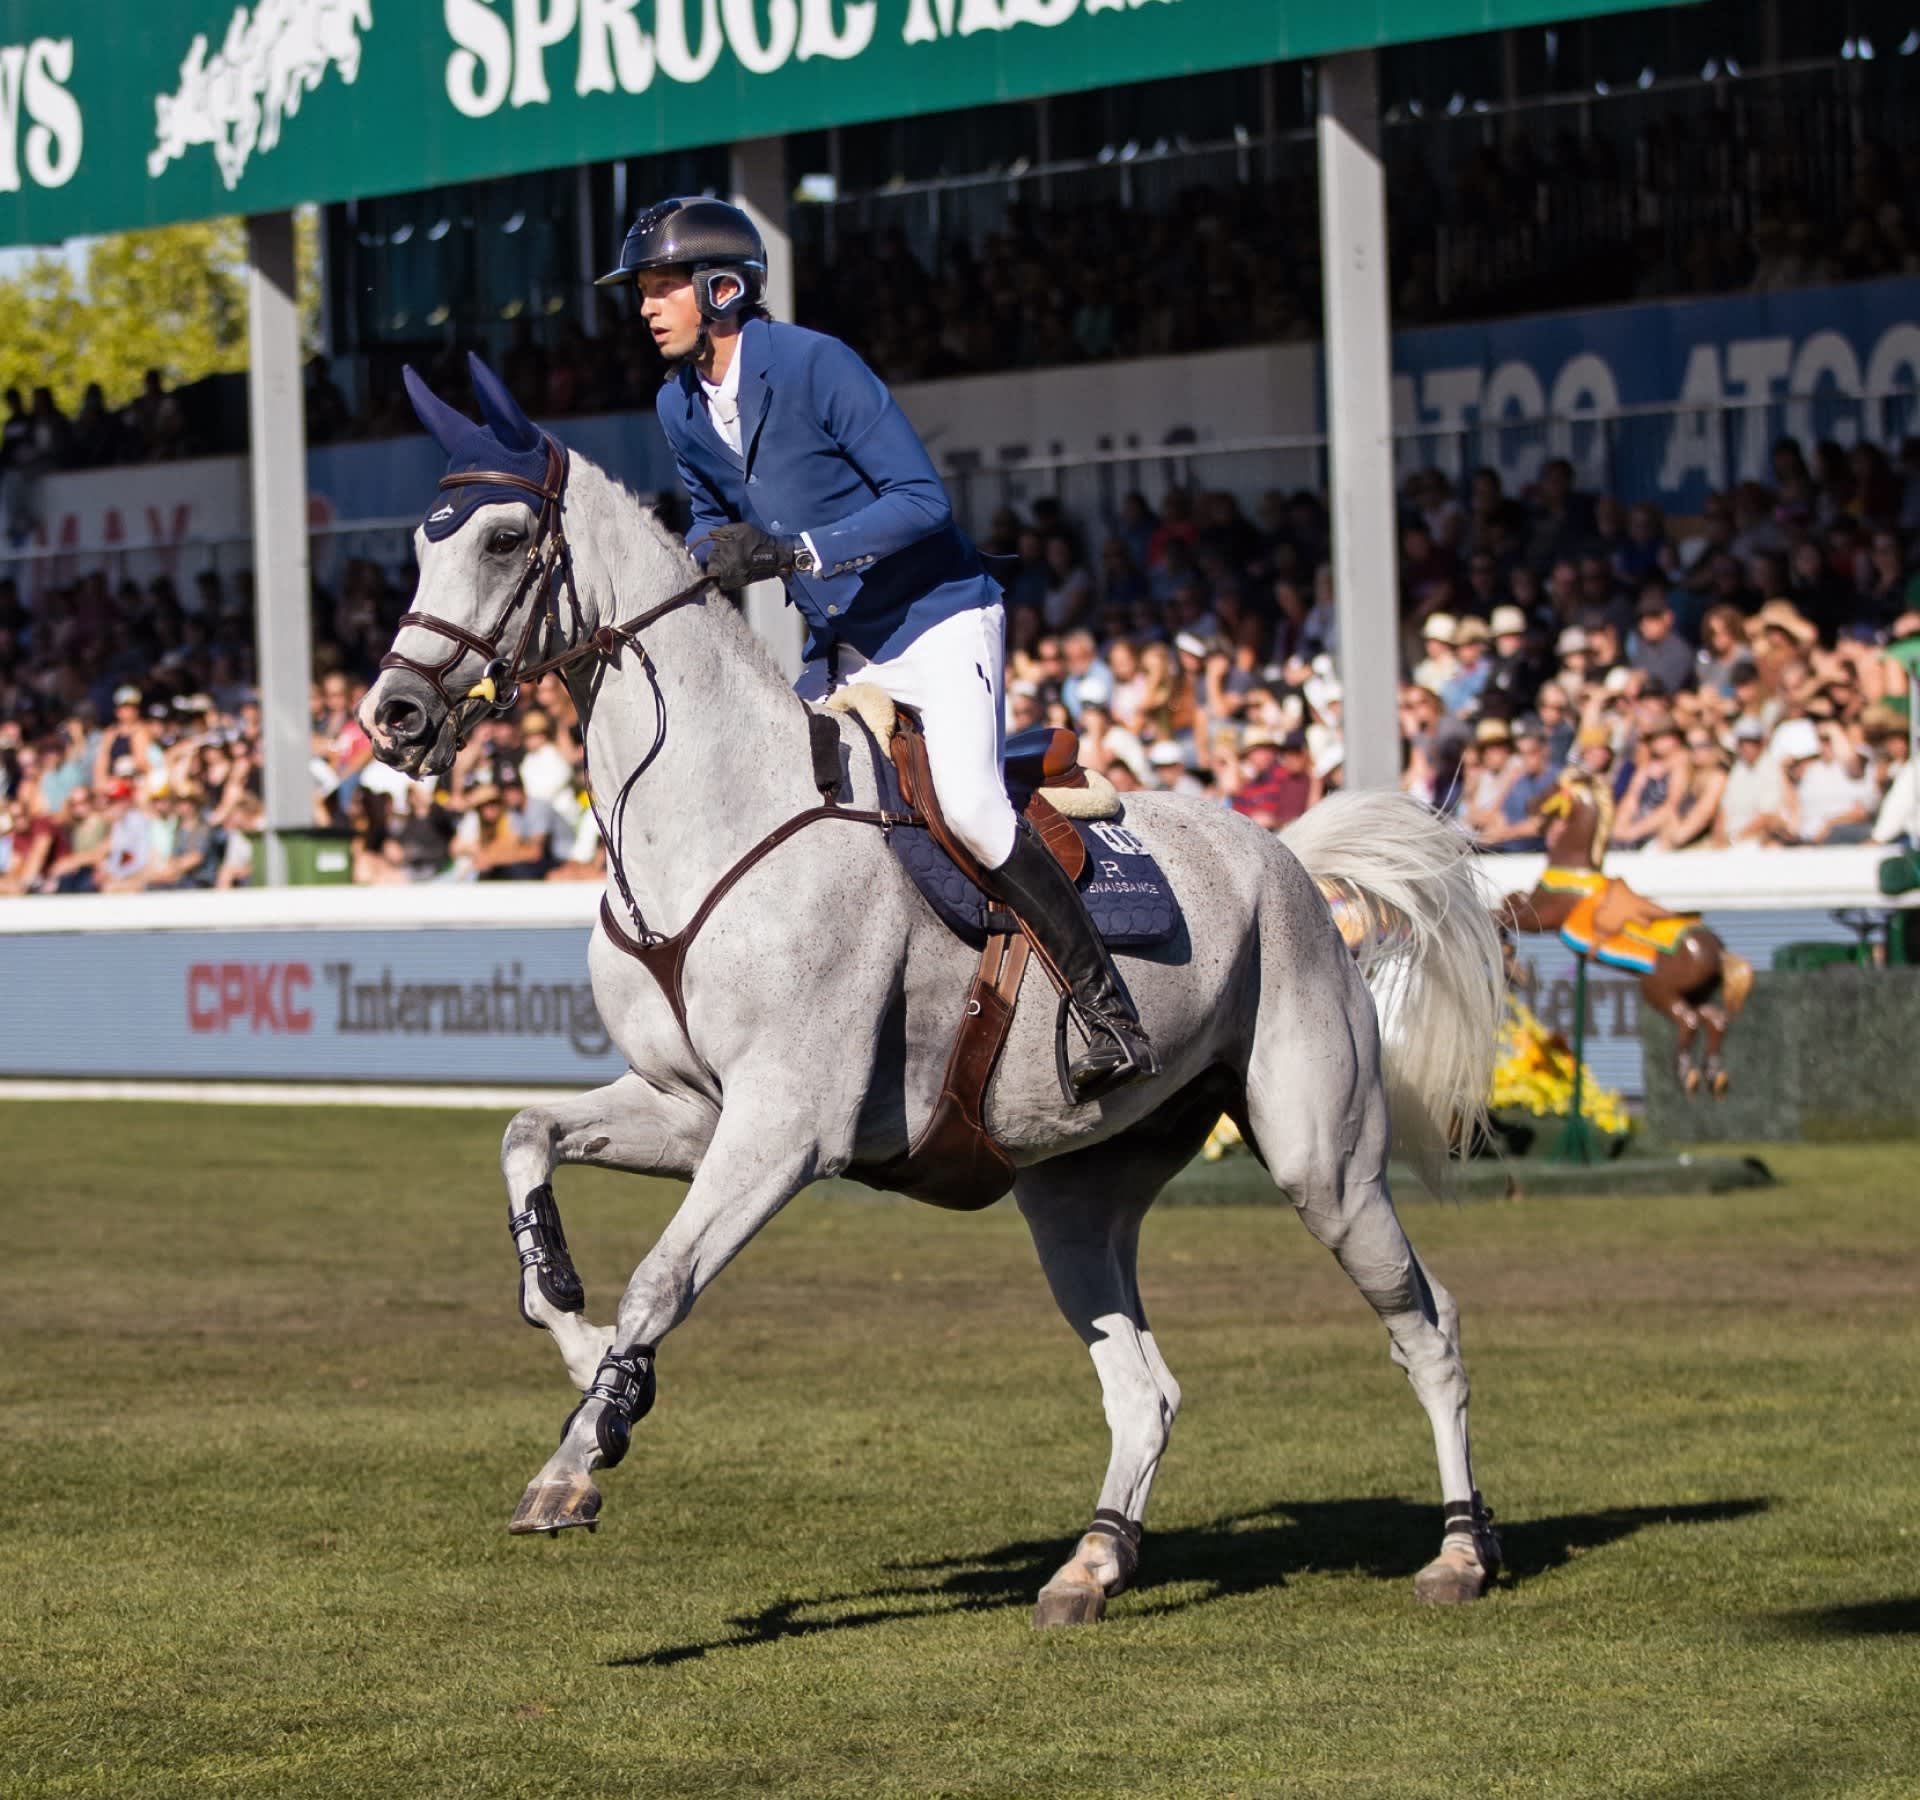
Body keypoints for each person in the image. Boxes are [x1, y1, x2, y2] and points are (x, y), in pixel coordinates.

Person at [599, 196, 1154, 1098]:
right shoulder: (679, 405)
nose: (645, 306)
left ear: (721, 287)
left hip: (935, 616)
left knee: (972, 807)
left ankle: (1110, 1012)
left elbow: (922, 500)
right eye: (644, 291)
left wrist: (794, 553)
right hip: (841, 640)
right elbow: (710, 523)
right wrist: (680, 569)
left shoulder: (816, 363)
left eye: (661, 286)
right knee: (792, 810)